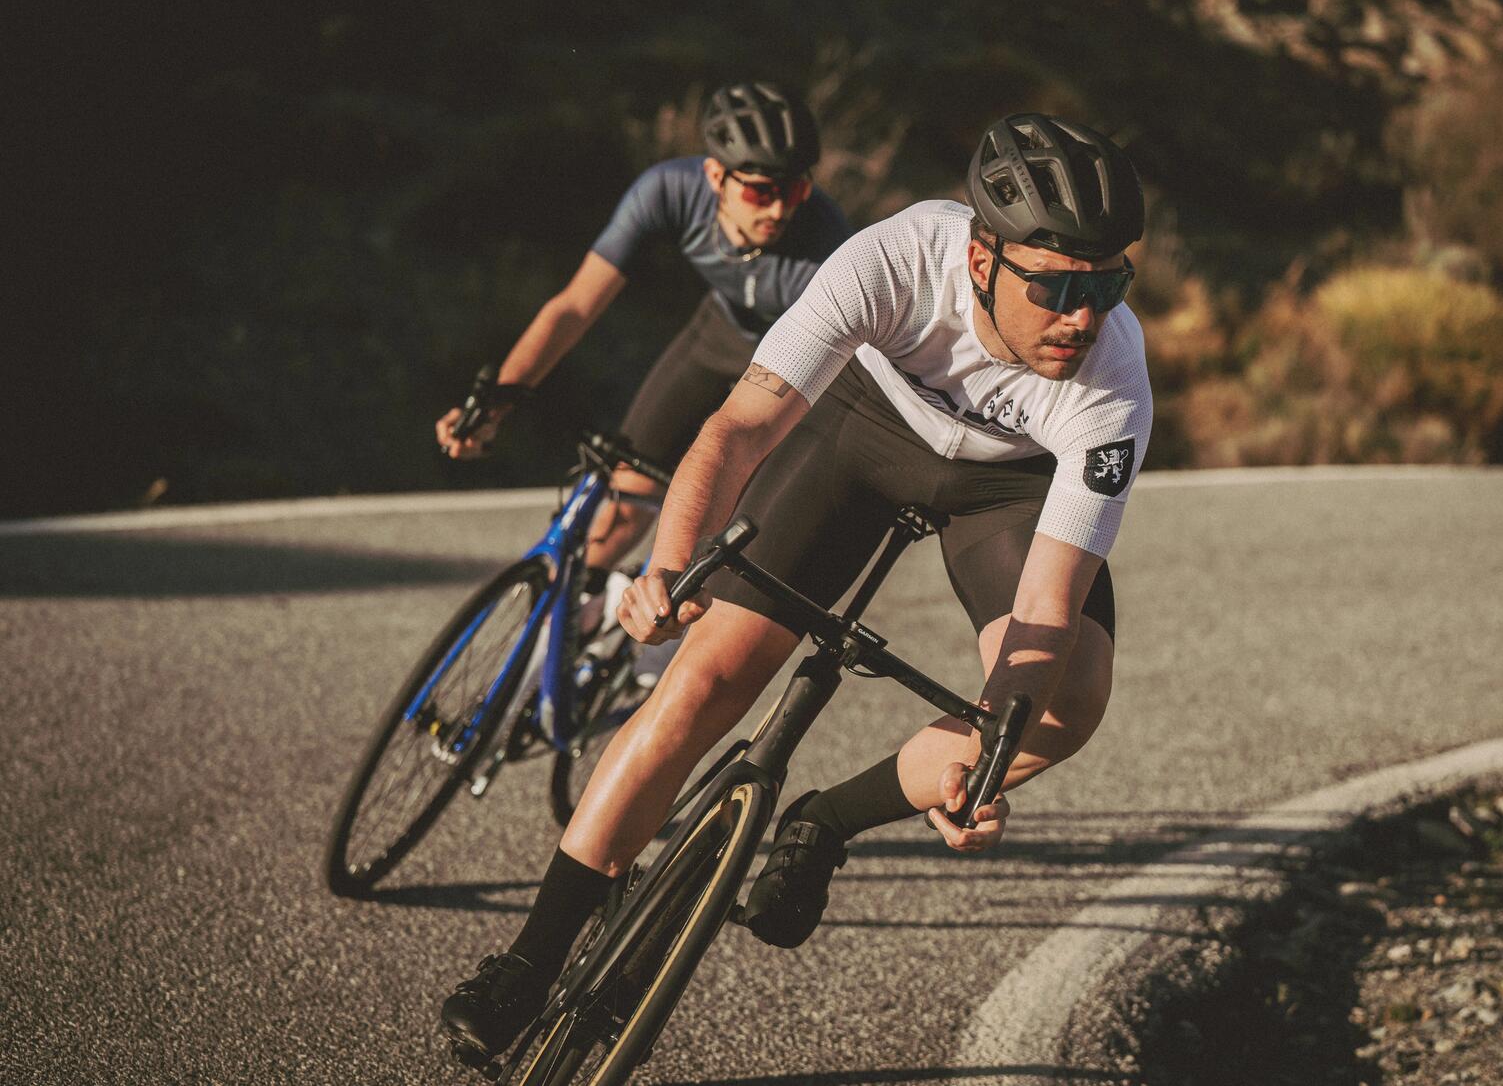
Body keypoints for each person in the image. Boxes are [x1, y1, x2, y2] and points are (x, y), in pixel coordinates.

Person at [440, 113, 1150, 1065]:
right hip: (861, 431)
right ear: (981, 256)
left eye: (1109, 285)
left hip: (1005, 482)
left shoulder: (1113, 383)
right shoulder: (890, 261)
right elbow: (737, 428)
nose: (1084, 316)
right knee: (707, 677)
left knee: (1067, 701)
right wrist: (667, 565)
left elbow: (1050, 606)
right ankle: (529, 961)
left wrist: (988, 757)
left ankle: (825, 820)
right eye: (1058, 286)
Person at [434, 81, 852, 637]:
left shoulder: (826, 247)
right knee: (626, 486)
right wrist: (499, 399)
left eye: (796, 191)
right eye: (759, 192)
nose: (779, 209)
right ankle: (577, 626)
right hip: (717, 337)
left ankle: (657, 652)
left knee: (727, 526)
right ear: (715, 177)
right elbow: (576, 305)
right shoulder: (667, 191)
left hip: (793, 371)